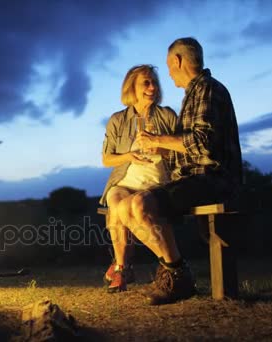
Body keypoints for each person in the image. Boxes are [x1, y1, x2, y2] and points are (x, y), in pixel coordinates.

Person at [116, 37, 243, 304]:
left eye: (169, 66)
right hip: (196, 178)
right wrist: (162, 151)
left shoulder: (207, 89)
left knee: (141, 203)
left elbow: (204, 144)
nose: (169, 73)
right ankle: (175, 271)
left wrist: (157, 140)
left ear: (178, 61)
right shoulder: (195, 93)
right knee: (127, 206)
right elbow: (192, 148)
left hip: (212, 179)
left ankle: (178, 275)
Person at [100, 64, 177, 293]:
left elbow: (182, 150)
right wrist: (128, 155)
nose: (152, 87)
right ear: (131, 87)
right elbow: (106, 159)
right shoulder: (118, 120)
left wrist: (160, 148)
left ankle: (128, 266)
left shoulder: (167, 115)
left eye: (154, 82)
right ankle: (123, 268)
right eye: (146, 82)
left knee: (123, 209)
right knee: (116, 201)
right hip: (125, 180)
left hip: (157, 182)